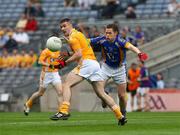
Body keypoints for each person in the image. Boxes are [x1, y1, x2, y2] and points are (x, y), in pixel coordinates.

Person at [50, 18, 127, 126]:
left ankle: (64, 110)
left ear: (70, 25)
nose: (63, 28)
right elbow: (83, 49)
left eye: (64, 26)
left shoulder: (73, 37)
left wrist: (63, 63)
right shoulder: (79, 34)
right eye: (61, 27)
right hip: (94, 64)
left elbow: (79, 54)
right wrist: (68, 53)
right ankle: (120, 116)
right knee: (101, 93)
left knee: (67, 84)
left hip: (86, 63)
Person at [89, 23, 147, 118]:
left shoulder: (120, 41)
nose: (107, 35)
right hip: (106, 67)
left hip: (120, 69)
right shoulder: (102, 39)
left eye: (110, 33)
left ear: (116, 33)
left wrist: (139, 53)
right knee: (99, 90)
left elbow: (132, 47)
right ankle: (104, 98)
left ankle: (123, 112)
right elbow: (87, 41)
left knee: (122, 96)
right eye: (106, 33)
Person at [24, 45, 65, 115]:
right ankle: (28, 103)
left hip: (55, 73)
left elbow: (60, 61)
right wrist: (49, 65)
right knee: (40, 93)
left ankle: (61, 112)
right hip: (46, 74)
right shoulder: (46, 51)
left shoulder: (58, 51)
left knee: (60, 92)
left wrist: (62, 64)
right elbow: (40, 62)